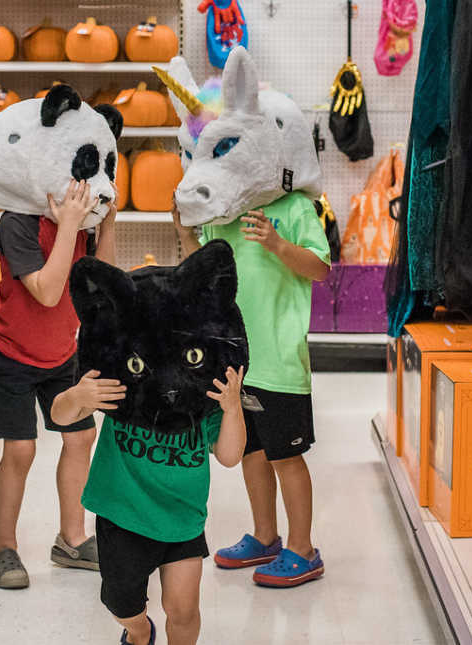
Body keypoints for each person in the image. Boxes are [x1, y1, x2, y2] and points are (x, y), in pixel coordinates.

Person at [175, 194, 331, 588]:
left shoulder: (295, 206)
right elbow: (204, 271)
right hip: (234, 359)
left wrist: (276, 243)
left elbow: (320, 269)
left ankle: (303, 549)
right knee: (252, 451)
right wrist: (184, 232)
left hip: (278, 359)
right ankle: (265, 536)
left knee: (287, 455)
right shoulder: (223, 203)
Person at [52, 364, 246, 645]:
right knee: (122, 604)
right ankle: (139, 631)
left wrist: (232, 408)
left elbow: (230, 456)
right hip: (122, 514)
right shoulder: (123, 380)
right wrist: (78, 397)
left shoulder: (203, 393)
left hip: (182, 516)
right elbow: (60, 415)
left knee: (183, 610)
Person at [0, 178, 117, 589]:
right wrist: (69, 227)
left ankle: (72, 540)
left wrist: (107, 223)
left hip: (63, 352)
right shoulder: (17, 222)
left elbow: (103, 281)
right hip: (11, 352)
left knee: (80, 439)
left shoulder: (79, 221)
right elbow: (46, 290)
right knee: (20, 450)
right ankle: (3, 548)